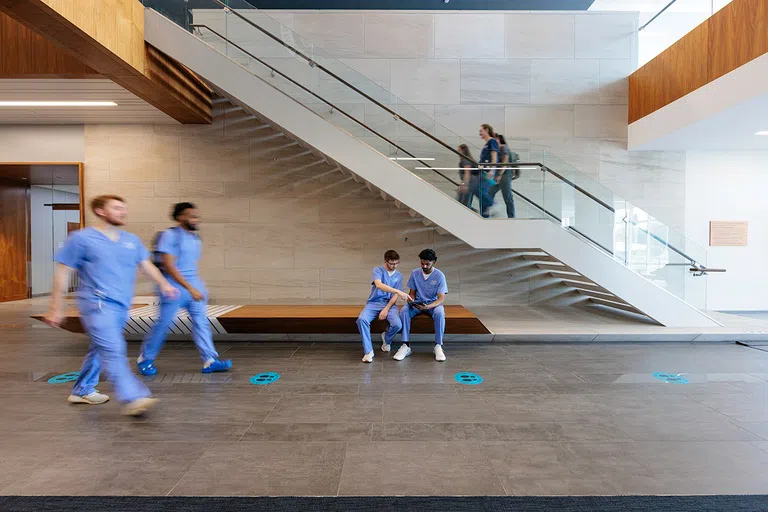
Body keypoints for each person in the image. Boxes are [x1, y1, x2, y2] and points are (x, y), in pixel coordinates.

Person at [44, 195, 177, 416]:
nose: (123, 212)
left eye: (124, 208)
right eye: (116, 208)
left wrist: (164, 284)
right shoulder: (81, 239)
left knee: (100, 348)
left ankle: (82, 390)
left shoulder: (131, 240)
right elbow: (63, 272)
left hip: (120, 306)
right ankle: (133, 397)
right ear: (100, 211)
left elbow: (146, 265)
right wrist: (56, 307)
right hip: (96, 304)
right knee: (114, 349)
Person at [137, 202, 232, 376]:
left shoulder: (194, 238)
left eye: (197, 216)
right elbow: (169, 265)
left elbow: (190, 265)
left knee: (201, 322)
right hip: (173, 288)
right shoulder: (170, 235)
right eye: (191, 216)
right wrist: (189, 287)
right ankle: (145, 358)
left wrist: (198, 286)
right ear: (180, 217)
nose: (196, 219)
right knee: (164, 324)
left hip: (193, 287)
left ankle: (209, 360)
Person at [393, 249, 449, 362]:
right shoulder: (415, 273)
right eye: (422, 263)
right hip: (417, 303)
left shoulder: (439, 275)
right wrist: (411, 300)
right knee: (404, 310)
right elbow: (412, 293)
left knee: (440, 313)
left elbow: (441, 299)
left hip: (432, 304)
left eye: (427, 264)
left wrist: (428, 307)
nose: (424, 266)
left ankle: (438, 346)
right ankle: (405, 346)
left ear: (434, 261)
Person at [356, 250, 412, 363]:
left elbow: (395, 296)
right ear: (385, 261)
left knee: (397, 325)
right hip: (373, 303)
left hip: (390, 304)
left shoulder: (398, 276)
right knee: (361, 320)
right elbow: (379, 285)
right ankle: (368, 351)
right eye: (392, 263)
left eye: (397, 263)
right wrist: (398, 291)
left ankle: (386, 339)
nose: (394, 266)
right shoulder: (377, 270)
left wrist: (386, 309)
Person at [489, 133, 519, 218]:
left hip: (505, 175)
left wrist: (499, 175)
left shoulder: (503, 147)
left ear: (498, 139)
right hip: (501, 175)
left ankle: (511, 217)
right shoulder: (499, 149)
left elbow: (505, 163)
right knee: (489, 192)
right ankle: (494, 208)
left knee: (507, 197)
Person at [475, 123, 499, 218]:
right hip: (483, 170)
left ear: (486, 130)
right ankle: (484, 217)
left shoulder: (492, 141)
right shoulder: (486, 144)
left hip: (487, 171)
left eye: (481, 131)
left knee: (476, 188)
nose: (479, 133)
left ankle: (492, 204)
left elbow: (494, 156)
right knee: (482, 193)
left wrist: (492, 170)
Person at [456, 144, 476, 209]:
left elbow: (467, 173)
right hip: (469, 182)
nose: (457, 152)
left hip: (470, 183)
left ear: (463, 151)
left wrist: (465, 185)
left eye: (459, 150)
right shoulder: (464, 160)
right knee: (462, 202)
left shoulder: (465, 160)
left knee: (464, 203)